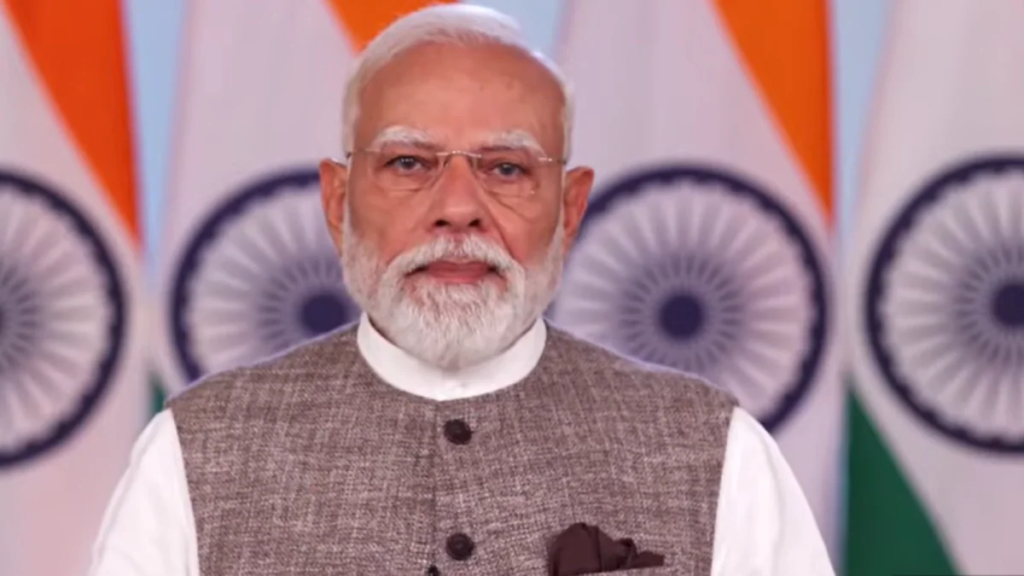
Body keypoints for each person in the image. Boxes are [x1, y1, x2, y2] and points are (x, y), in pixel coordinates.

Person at [90, 5, 834, 575]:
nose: (457, 207)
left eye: (506, 168)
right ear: (337, 199)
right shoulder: (198, 450)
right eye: (410, 163)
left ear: (570, 208)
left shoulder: (710, 448)